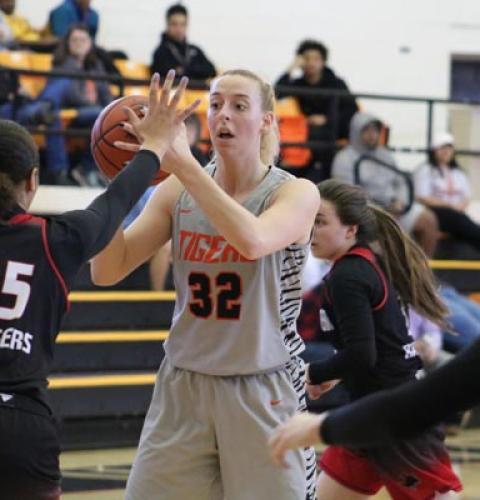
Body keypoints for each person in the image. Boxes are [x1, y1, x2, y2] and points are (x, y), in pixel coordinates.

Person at [91, 69, 320, 500]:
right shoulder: (176, 190)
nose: (223, 116)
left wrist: (183, 163)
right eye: (215, 105)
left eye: (238, 105)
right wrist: (120, 179)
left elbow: (252, 240)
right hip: (184, 385)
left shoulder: (294, 193)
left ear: (267, 121)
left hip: (263, 386)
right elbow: (108, 270)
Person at [0, 72, 199, 498]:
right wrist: (153, 147)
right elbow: (112, 206)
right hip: (20, 427)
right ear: (33, 181)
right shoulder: (54, 238)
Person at [272, 180, 461, 499]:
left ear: (350, 230)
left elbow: (363, 355)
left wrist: (313, 373)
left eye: (320, 222)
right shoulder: (357, 266)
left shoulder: (348, 276)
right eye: (310, 220)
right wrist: (336, 373)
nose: (311, 230)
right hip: (367, 413)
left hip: (395, 418)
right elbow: (367, 348)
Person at [269, 314, 480, 470]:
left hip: (392, 420)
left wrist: (322, 426)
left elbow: (427, 401)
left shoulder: (352, 275)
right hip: (372, 420)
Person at [332, 111, 440, 257]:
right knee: (382, 233)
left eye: (376, 130)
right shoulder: (344, 158)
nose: (373, 134)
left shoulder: (385, 155)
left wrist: (400, 202)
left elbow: (400, 181)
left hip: (395, 208)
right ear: (356, 132)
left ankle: (423, 269)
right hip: (368, 212)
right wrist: (382, 209)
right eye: (367, 130)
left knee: (428, 220)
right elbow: (347, 195)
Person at [38, 24, 113, 186]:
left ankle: (89, 168)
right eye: (74, 40)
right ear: (68, 44)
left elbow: (106, 93)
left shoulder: (96, 66)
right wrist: (98, 107)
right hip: (69, 113)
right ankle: (76, 171)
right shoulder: (62, 65)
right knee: (99, 114)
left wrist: (111, 109)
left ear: (90, 43)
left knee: (108, 117)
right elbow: (72, 96)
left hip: (92, 114)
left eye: (83, 39)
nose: (79, 43)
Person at [276, 39, 358, 181]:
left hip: (334, 131)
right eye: (306, 59)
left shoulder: (336, 83)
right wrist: (292, 67)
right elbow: (277, 92)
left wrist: (326, 119)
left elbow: (352, 110)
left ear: (323, 61)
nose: (311, 63)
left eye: (316, 59)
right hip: (309, 134)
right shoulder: (299, 83)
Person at [414, 132, 480, 258]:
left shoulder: (459, 173)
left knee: (461, 223)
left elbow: (466, 197)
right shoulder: (425, 170)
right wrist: (449, 206)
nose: (446, 152)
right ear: (434, 151)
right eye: (442, 148)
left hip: (456, 215)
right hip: (434, 214)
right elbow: (422, 197)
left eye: (449, 148)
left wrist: (458, 207)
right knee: (456, 218)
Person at [151, 3, 217, 81]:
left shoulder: (195, 50)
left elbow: (211, 71)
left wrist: (183, 70)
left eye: (183, 24)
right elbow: (161, 74)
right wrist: (196, 72)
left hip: (197, 92)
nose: (179, 29)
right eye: (174, 24)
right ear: (167, 25)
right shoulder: (160, 52)